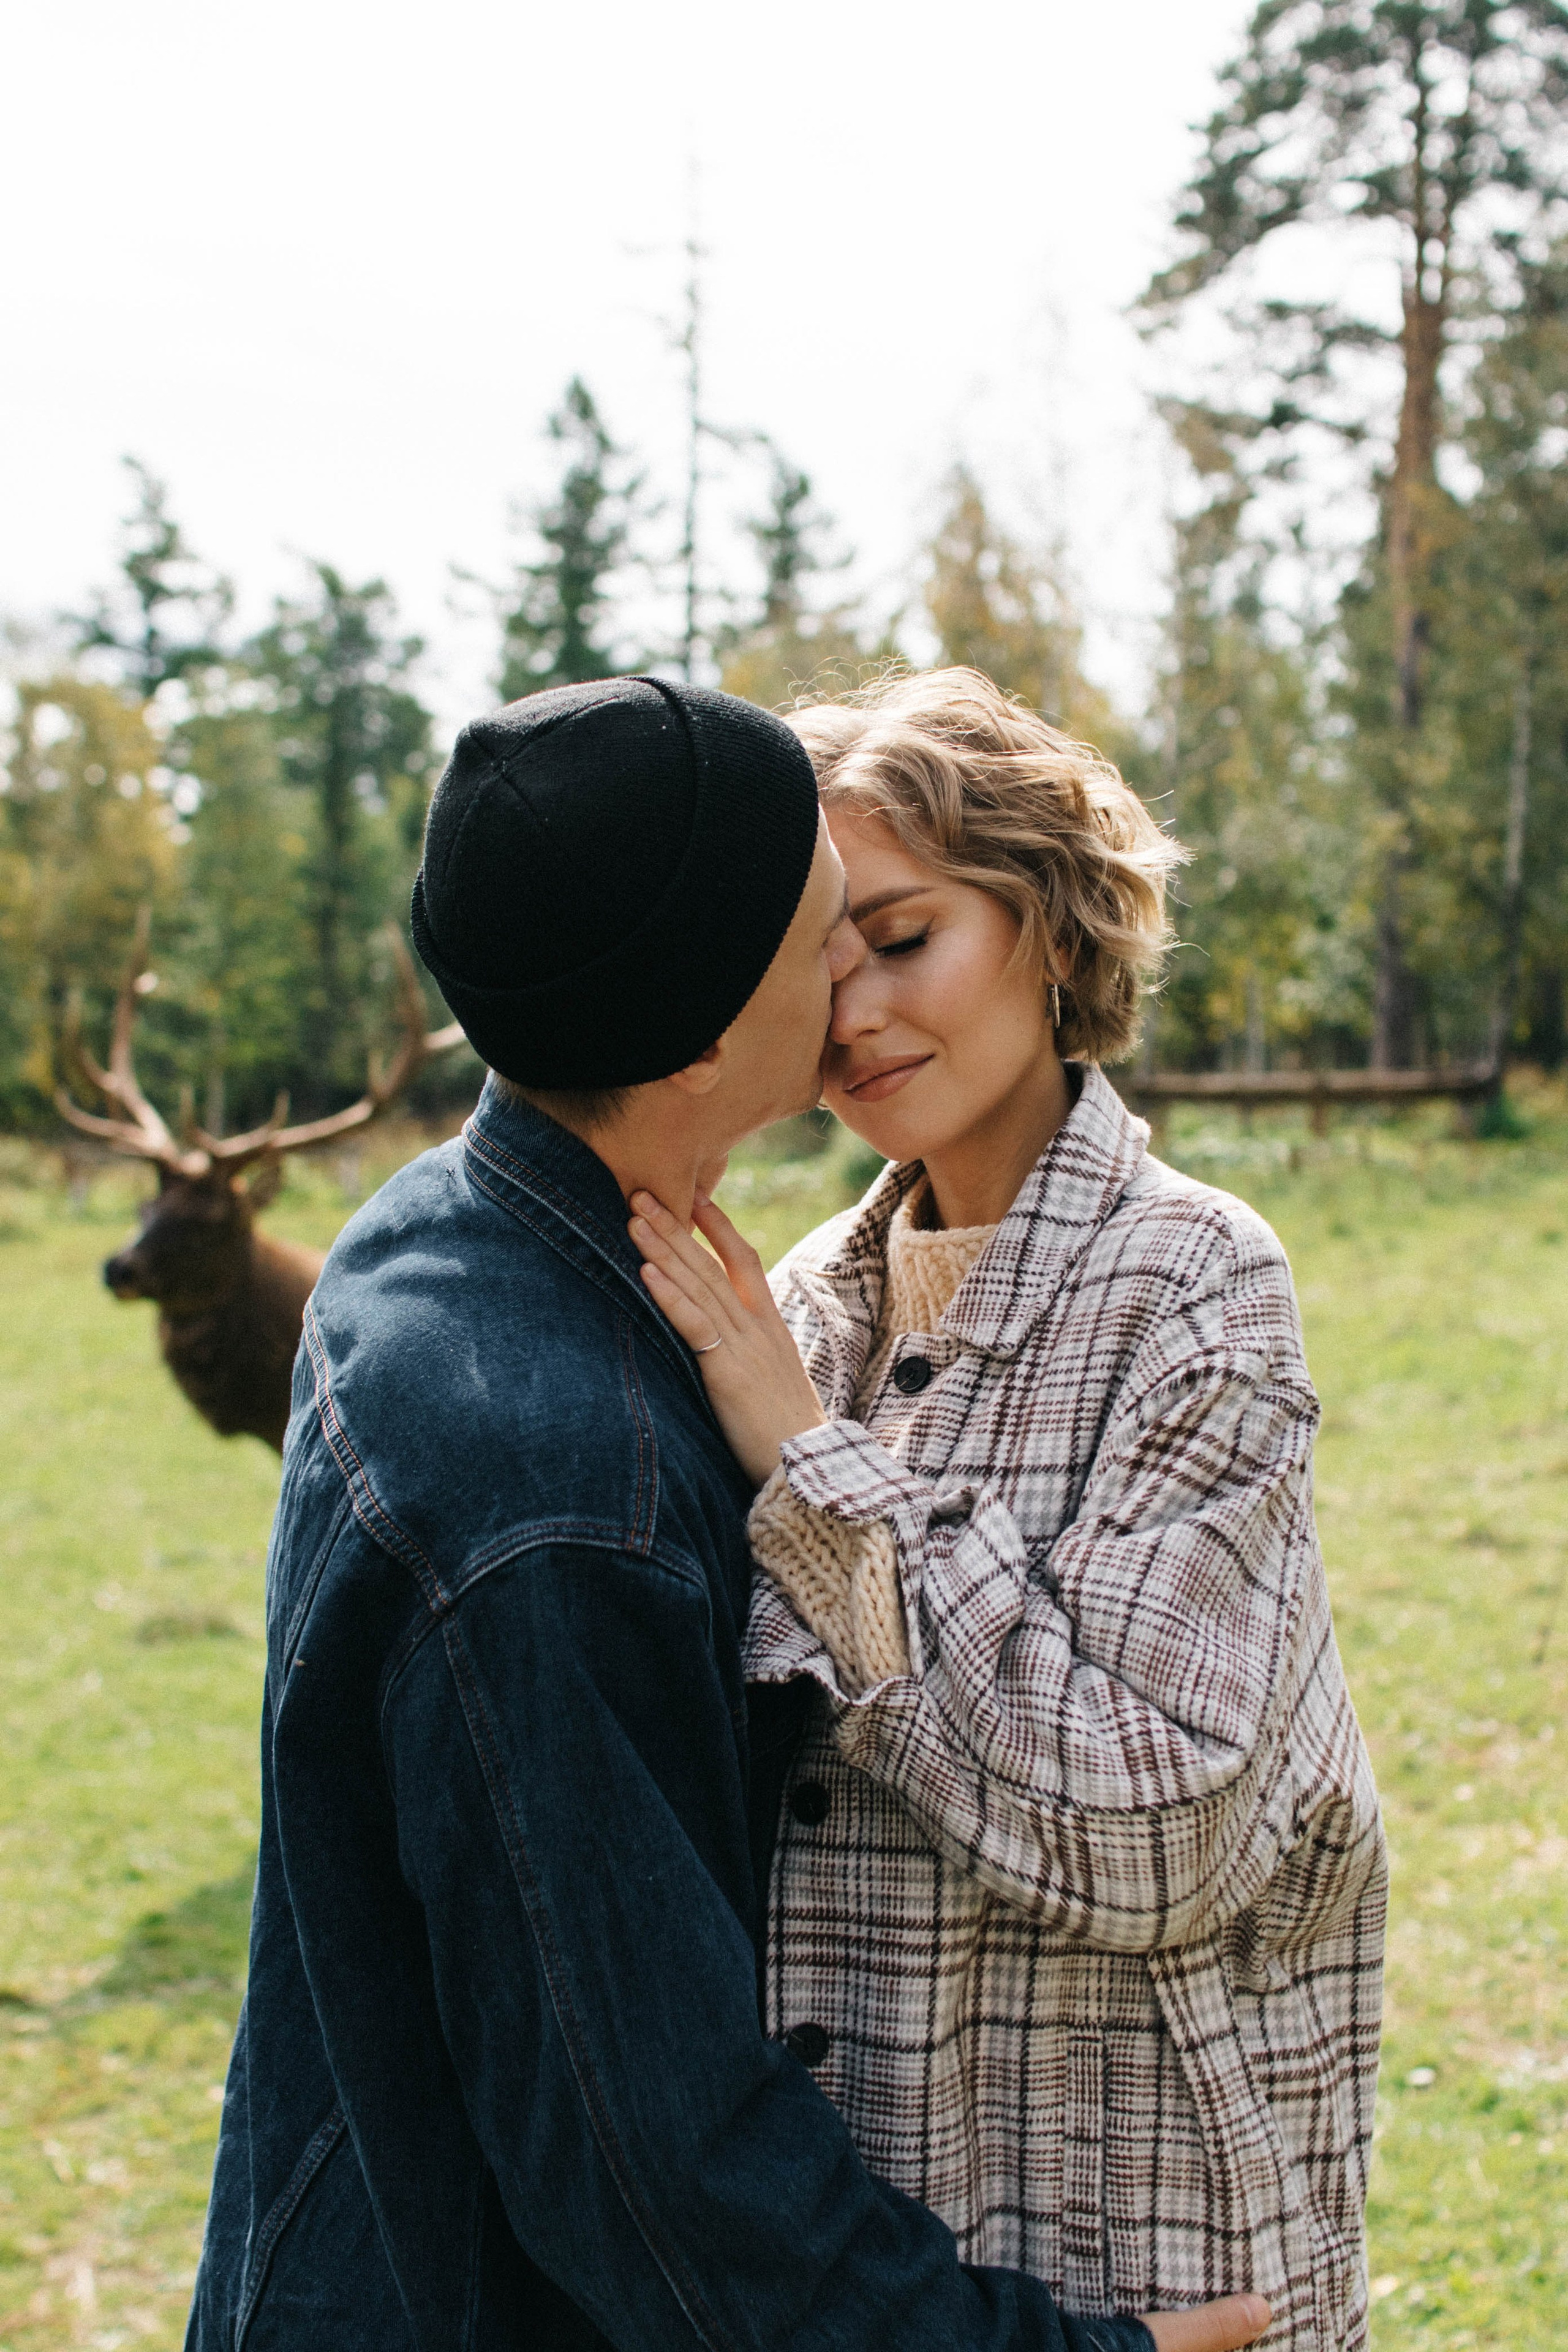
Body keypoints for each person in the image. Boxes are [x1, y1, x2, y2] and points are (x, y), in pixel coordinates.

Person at [186, 676, 1270, 2352]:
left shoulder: (451, 1244)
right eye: (827, 928)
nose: (851, 986)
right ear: (702, 1031)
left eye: (885, 927)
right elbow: (647, 2155)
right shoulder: (552, 1488)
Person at [628, 669, 1386, 2352]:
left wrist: (809, 1465)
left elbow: (1155, 1831)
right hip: (876, 2266)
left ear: (1048, 920)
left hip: (1145, 2252)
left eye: (900, 941)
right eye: (811, 969)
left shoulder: (1195, 1284)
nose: (855, 1016)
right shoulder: (800, 1300)